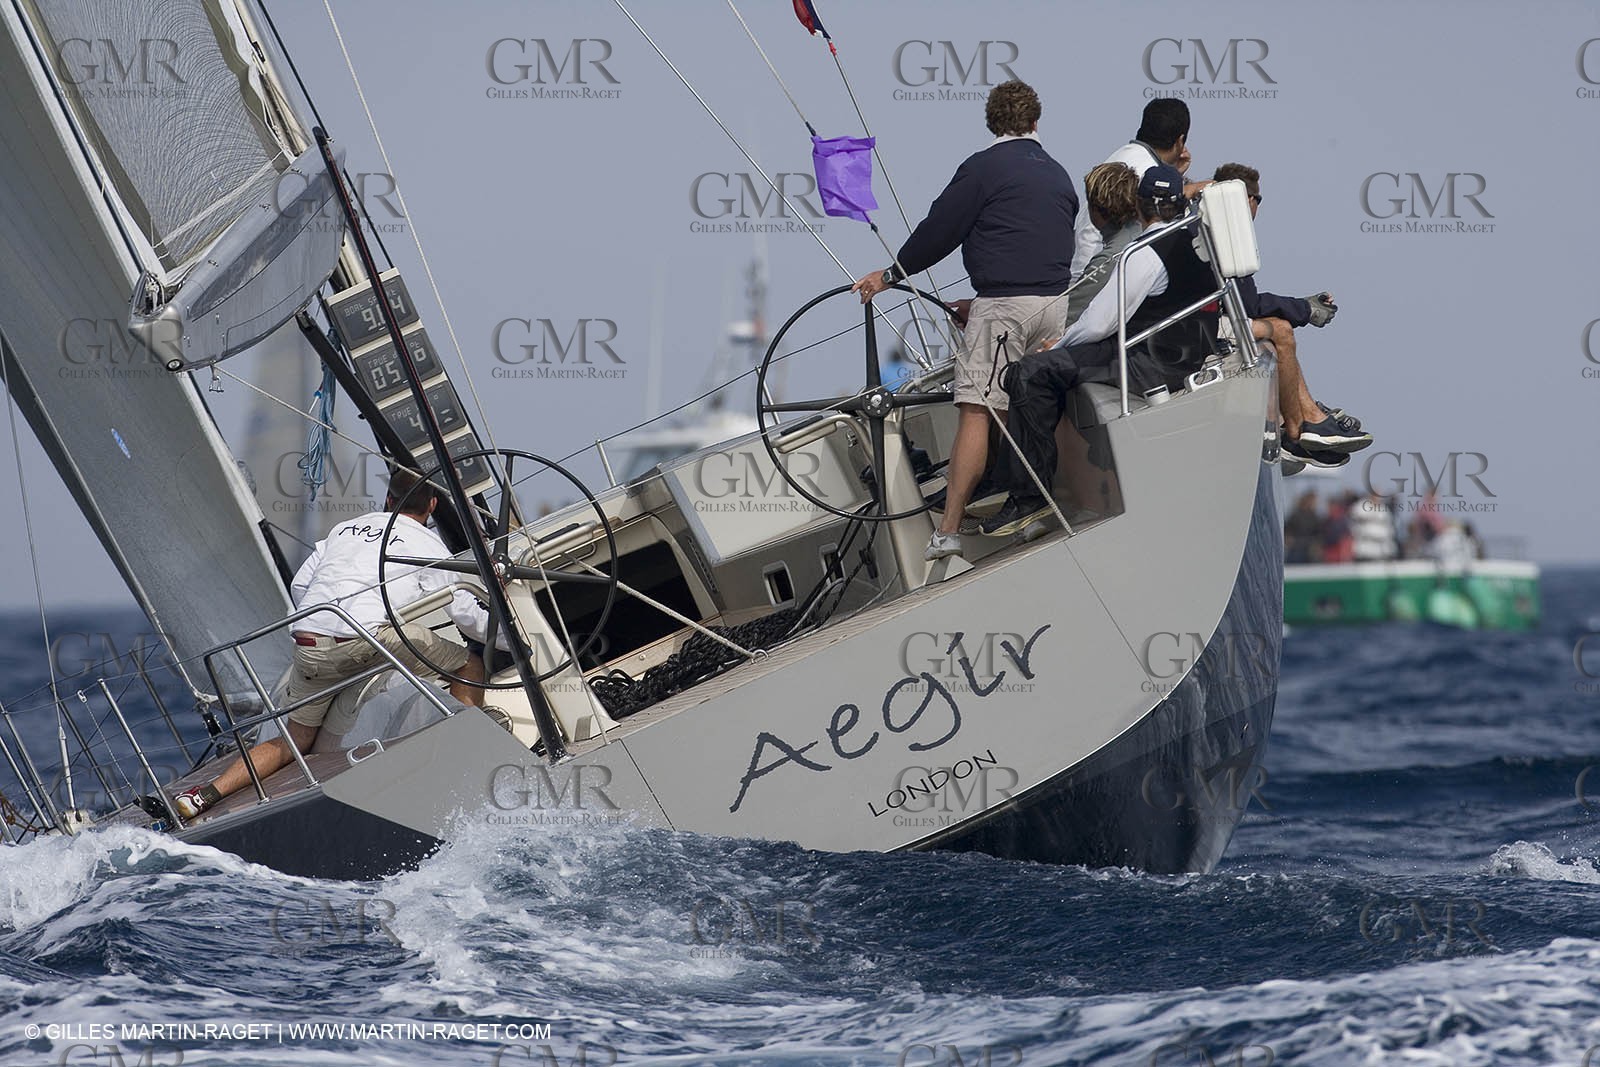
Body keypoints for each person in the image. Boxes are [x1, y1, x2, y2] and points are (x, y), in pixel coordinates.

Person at [173, 468, 500, 819]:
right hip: (366, 638)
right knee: (468, 663)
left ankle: (203, 796)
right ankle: (467, 755)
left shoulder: (344, 530)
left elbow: (300, 588)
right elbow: (464, 612)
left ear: (387, 500)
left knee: (294, 740)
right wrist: (512, 643)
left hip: (310, 641)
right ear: (433, 505)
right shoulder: (429, 544)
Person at [851, 79, 1077, 562]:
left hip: (1004, 309)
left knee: (976, 408)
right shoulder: (1059, 174)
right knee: (1029, 402)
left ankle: (949, 530)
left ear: (992, 123)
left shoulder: (982, 169)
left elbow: (941, 231)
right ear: (1036, 122)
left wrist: (890, 275)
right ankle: (1027, 503)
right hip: (1056, 307)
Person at [978, 165, 1212, 538]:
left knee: (1028, 372)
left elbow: (1100, 324)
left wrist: (1058, 345)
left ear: (1140, 206)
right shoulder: (1197, 240)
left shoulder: (1144, 253)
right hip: (1190, 356)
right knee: (1053, 366)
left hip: (1146, 364)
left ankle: (1029, 497)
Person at [1209, 163, 1371, 472]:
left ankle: (1305, 420)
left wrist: (1302, 306)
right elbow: (1246, 304)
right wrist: (1303, 309)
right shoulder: (1226, 234)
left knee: (1274, 336)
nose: (1257, 206)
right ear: (1244, 200)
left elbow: (1246, 302)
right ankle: (1301, 428)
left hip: (1208, 322)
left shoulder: (1216, 228)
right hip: (1200, 329)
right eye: (1257, 198)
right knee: (1280, 331)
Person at [1071, 99, 1209, 282]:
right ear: (1180, 141)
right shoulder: (1145, 170)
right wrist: (1188, 189)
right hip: (1102, 276)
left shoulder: (1124, 157)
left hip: (1088, 268)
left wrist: (1172, 172)